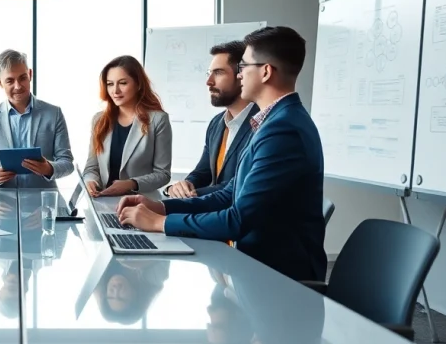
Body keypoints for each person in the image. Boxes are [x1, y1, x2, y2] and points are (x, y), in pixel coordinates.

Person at [117, 26, 328, 284]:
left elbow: (238, 219)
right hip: (254, 270)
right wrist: (160, 206)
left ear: (265, 72)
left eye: (244, 67)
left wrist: (160, 223)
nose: (240, 75)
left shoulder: (283, 130)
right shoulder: (273, 121)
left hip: (278, 279)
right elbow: (230, 193)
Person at [164, 41, 260, 198]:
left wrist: (190, 196)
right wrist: (180, 187)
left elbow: (237, 186)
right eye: (209, 73)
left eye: (219, 73)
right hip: (215, 213)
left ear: (241, 75)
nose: (209, 82)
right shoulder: (216, 123)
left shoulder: (262, 123)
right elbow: (203, 172)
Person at [0, 49, 75, 188]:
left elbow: (67, 163)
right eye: (10, 80)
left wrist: (49, 169)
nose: (18, 86)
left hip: (44, 203)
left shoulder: (53, 113)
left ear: (30, 75)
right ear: (0, 82)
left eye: (22, 78)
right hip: (3, 203)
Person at [83, 55, 172, 197]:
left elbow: (163, 174)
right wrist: (90, 181)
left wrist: (132, 183)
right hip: (104, 202)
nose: (115, 91)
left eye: (123, 83)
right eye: (110, 84)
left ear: (138, 84)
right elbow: (92, 167)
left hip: (142, 203)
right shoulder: (99, 120)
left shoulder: (158, 120)